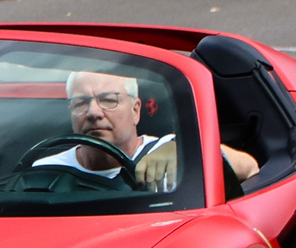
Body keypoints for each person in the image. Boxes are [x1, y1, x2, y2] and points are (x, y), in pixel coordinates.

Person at [31, 71, 258, 192]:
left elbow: (249, 167)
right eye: (80, 103)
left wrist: (185, 152)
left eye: (108, 100)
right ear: (70, 112)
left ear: (136, 110)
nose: (93, 112)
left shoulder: (170, 149)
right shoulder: (46, 171)